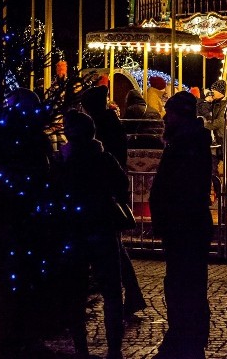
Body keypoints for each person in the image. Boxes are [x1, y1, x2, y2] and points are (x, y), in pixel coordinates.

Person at [57, 111, 129, 359]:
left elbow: (56, 192)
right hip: (103, 229)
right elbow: (122, 186)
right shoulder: (104, 159)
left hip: (75, 231)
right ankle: (114, 348)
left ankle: (81, 348)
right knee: (111, 290)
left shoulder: (65, 161)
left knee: (75, 292)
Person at [149, 91, 214, 359]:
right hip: (188, 222)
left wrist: (165, 214)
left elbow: (176, 186)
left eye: (170, 112)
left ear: (179, 115)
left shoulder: (184, 144)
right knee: (189, 280)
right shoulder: (190, 141)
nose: (165, 117)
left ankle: (184, 334)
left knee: (182, 281)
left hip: (183, 223)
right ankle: (189, 333)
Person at [80, 86, 147, 322]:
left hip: (103, 199)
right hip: (108, 195)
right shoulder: (110, 124)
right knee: (115, 250)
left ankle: (124, 297)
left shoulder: (101, 128)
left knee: (113, 251)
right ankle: (131, 296)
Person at [203, 79, 227, 147]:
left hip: (223, 136)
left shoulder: (225, 104)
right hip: (217, 136)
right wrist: (207, 102)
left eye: (213, 90)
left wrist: (204, 125)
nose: (212, 92)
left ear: (219, 92)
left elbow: (221, 121)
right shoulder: (214, 102)